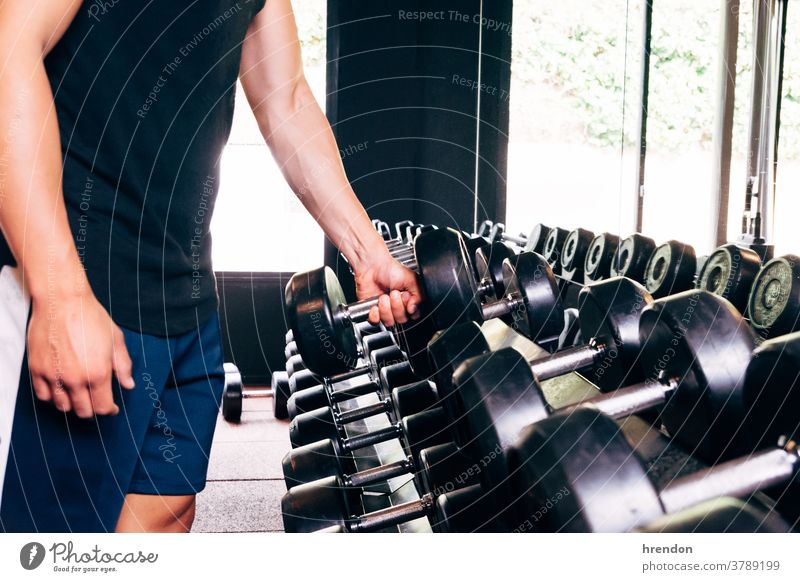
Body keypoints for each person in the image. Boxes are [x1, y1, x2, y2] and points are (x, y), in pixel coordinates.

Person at [0, 0, 421, 532]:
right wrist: (59, 294)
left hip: (184, 298)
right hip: (78, 288)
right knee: (58, 547)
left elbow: (284, 100)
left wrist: (367, 251)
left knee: (163, 519)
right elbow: (9, 52)